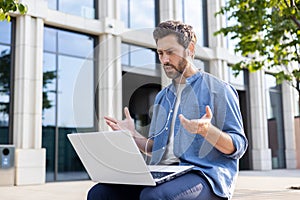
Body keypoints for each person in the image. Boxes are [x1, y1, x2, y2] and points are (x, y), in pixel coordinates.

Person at [87, 20, 248, 200]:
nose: (164, 60)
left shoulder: (219, 90)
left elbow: (238, 146)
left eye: (170, 52)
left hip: (205, 175)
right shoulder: (163, 96)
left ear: (190, 49)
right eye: (160, 53)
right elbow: (156, 148)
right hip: (165, 172)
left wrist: (207, 131)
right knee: (100, 193)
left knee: (153, 196)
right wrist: (132, 135)